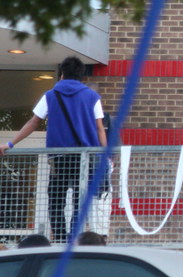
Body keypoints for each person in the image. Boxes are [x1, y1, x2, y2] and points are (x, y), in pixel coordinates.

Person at [0, 56, 107, 243]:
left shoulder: (50, 95)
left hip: (59, 157)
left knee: (56, 200)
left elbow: (33, 122)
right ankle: (74, 239)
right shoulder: (92, 97)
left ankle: (59, 239)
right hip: (85, 158)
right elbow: (99, 128)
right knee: (80, 201)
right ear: (81, 75)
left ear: (62, 74)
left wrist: (10, 144)